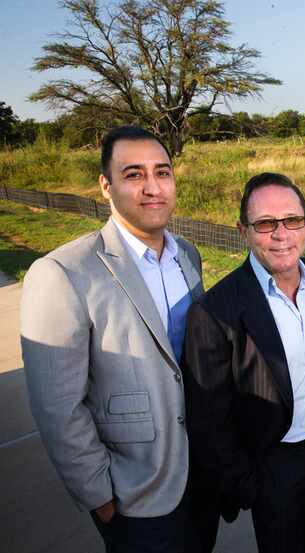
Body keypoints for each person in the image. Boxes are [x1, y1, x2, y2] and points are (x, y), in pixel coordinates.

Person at [20, 126, 204, 553]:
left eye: (162, 172)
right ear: (106, 185)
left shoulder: (188, 257)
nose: (152, 188)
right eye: (134, 174)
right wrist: (99, 493)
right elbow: (56, 406)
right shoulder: (63, 273)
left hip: (199, 476)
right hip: (134, 492)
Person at [182, 172, 305, 553]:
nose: (282, 234)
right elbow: (208, 417)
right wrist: (248, 484)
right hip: (274, 469)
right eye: (265, 224)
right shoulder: (215, 311)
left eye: (293, 220)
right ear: (242, 231)